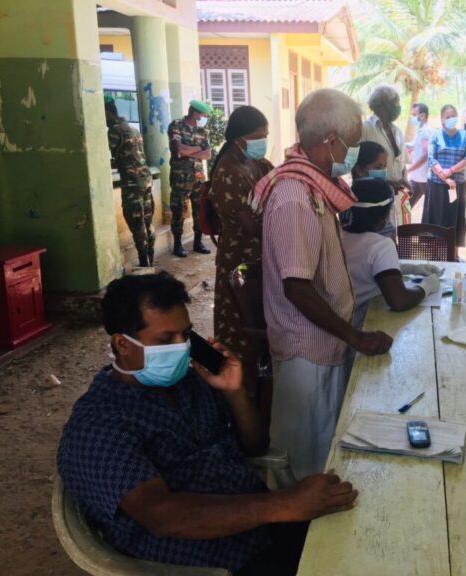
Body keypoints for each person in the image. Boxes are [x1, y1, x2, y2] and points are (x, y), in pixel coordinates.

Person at [57, 273, 358, 575]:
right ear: (122, 344)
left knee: (357, 539)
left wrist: (235, 393)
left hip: (259, 527)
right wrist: (284, 504)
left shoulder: (190, 381)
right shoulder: (98, 424)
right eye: (166, 339)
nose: (182, 347)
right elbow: (162, 516)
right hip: (207, 563)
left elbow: (256, 446)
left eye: (186, 334)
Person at [249, 88, 394, 479]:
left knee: (323, 444)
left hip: (324, 341)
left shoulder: (313, 187)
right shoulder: (295, 197)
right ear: (331, 142)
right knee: (305, 457)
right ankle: (292, 516)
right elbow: (297, 287)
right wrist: (355, 335)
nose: (353, 153)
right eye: (352, 144)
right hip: (306, 347)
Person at [208, 105, 274, 395]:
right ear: (239, 139)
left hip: (260, 256)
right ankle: (238, 389)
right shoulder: (228, 172)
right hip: (238, 257)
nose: (263, 141)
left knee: (261, 317)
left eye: (265, 135)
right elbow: (251, 226)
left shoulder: (258, 164)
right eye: (258, 136)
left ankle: (260, 381)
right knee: (239, 320)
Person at [341, 178, 441, 328]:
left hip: (339, 322)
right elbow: (399, 301)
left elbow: (366, 268)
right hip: (363, 324)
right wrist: (427, 287)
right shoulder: (381, 245)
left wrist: (410, 268)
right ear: (384, 216)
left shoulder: (338, 235)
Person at [105, 96, 155, 267]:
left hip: (132, 183)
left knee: (137, 222)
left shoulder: (114, 131)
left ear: (108, 112)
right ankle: (150, 260)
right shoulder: (132, 129)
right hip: (146, 179)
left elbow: (102, 155)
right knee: (147, 221)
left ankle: (144, 263)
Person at [361, 84, 409, 237]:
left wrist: (404, 179)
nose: (398, 107)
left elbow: (402, 162)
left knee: (395, 238)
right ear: (383, 104)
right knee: (379, 240)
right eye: (396, 102)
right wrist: (384, 183)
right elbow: (358, 168)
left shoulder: (397, 131)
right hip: (375, 200)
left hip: (396, 199)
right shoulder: (365, 129)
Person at [423, 104, 466, 247]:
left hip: (458, 185)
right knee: (436, 218)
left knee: (454, 219)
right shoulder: (436, 135)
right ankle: (434, 251)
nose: (451, 119)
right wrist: (444, 177)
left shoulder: (465, 135)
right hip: (437, 184)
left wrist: (450, 171)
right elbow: (431, 159)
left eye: (453, 116)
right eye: (448, 116)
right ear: (442, 119)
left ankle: (453, 252)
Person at [168, 100, 213, 258]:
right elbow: (178, 149)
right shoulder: (177, 125)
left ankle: (198, 242)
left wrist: (189, 151)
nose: (204, 117)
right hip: (180, 178)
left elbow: (208, 154)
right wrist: (198, 148)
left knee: (199, 211)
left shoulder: (202, 131)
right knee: (179, 211)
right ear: (194, 113)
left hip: (198, 178)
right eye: (203, 114)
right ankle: (178, 245)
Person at [406, 103, 430, 208]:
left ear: (422, 115)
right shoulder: (420, 130)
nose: (412, 117)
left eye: (414, 114)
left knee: (431, 206)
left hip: (423, 177)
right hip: (417, 176)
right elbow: (414, 146)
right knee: (406, 204)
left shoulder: (426, 131)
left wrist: (409, 170)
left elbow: (425, 155)